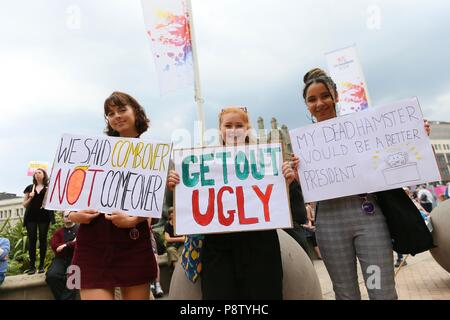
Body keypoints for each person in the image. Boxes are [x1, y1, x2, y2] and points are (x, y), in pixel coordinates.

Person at [296, 68, 433, 300]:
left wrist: (415, 135)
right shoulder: (302, 146)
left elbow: (392, 155)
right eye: (312, 99)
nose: (320, 103)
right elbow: (304, 190)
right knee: (346, 294)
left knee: (381, 292)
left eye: (325, 96)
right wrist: (294, 174)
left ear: (336, 97)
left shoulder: (364, 129)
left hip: (367, 219)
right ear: (307, 105)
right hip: (329, 223)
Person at [167, 106, 298, 300]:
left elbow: (279, 200)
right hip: (217, 247)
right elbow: (191, 202)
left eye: (239, 125)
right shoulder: (202, 162)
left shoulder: (268, 160)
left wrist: (286, 178)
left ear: (247, 129)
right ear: (220, 129)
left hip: (260, 244)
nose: (233, 130)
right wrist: (176, 185)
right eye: (228, 125)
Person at [69, 92, 157, 300]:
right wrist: (74, 215)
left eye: (122, 109)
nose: (116, 116)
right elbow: (71, 194)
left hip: (133, 242)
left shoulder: (155, 154)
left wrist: (134, 219)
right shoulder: (93, 151)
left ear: (136, 111)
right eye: (110, 113)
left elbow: (155, 202)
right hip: (93, 242)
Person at [23, 168, 55, 274]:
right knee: (32, 240)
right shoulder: (29, 188)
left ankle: (41, 266)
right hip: (31, 217)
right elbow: (24, 205)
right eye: (35, 173)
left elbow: (53, 202)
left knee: (42, 239)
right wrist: (30, 198)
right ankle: (32, 267)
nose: (37, 174)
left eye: (39, 173)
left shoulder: (48, 188)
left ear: (44, 175)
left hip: (44, 217)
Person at [46, 211, 79, 299]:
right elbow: (55, 247)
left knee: (73, 278)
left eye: (70, 215)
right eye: (66, 216)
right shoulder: (58, 232)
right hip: (60, 259)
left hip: (76, 259)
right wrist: (72, 242)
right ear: (62, 218)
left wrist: (65, 245)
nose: (68, 217)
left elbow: (80, 244)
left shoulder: (80, 229)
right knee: (52, 276)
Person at [148, 219, 164, 298]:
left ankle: (157, 285)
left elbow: (149, 221)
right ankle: (151, 283)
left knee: (155, 260)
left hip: (148, 235)